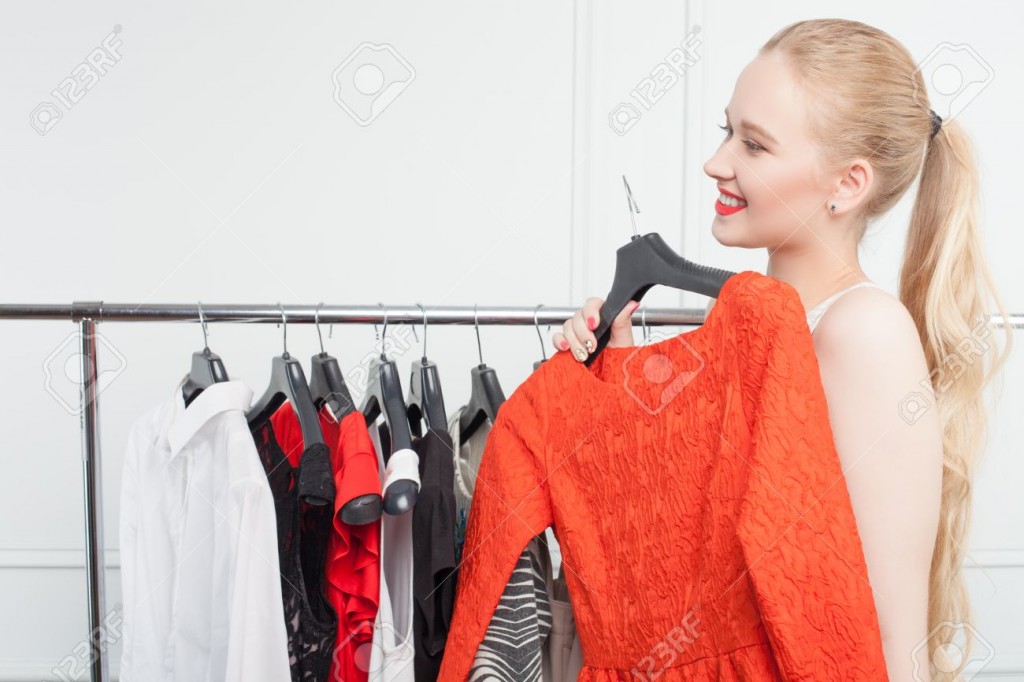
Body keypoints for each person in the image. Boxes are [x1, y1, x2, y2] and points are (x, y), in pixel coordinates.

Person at [552, 18, 1013, 682]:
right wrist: (613, 377)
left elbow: (890, 635)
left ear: (847, 184)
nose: (717, 163)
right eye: (725, 132)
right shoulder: (741, 327)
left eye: (755, 145)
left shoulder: (863, 333)